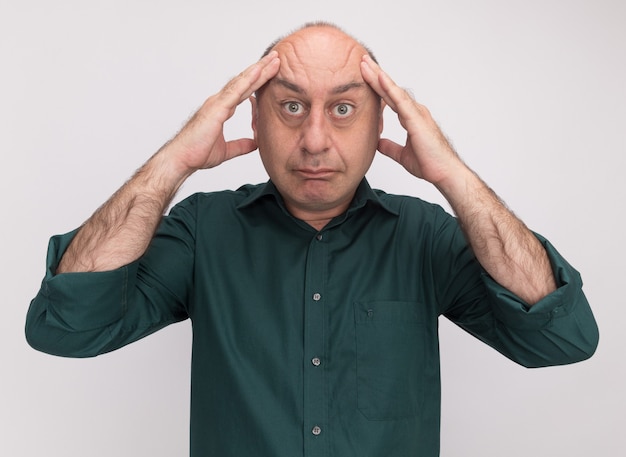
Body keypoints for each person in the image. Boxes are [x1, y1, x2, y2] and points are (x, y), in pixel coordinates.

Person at [26, 22, 599, 457]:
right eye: (292, 106)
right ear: (255, 117)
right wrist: (173, 161)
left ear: (382, 124)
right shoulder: (204, 231)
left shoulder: (425, 238)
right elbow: (67, 329)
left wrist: (454, 175)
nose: (315, 140)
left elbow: (562, 339)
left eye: (344, 109)